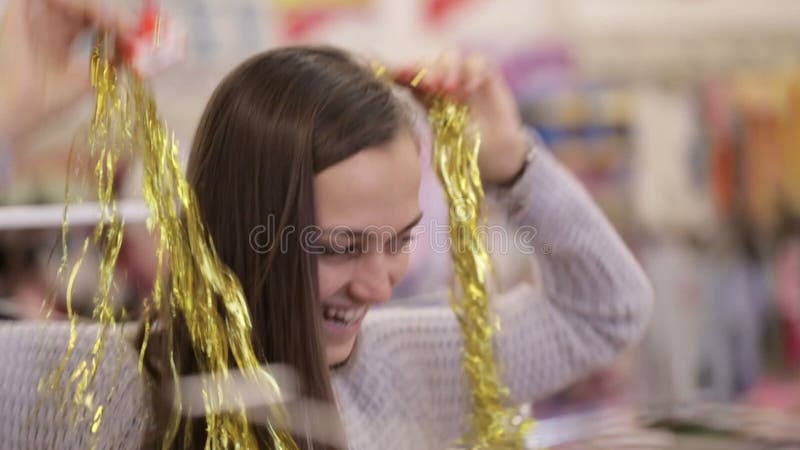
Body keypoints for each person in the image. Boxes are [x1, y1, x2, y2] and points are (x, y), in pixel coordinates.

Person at [1, 2, 653, 449]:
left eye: (400, 242)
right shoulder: (89, 385)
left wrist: (512, 165)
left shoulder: (409, 366)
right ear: (240, 234)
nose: (379, 285)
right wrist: (8, 115)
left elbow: (604, 311)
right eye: (341, 248)